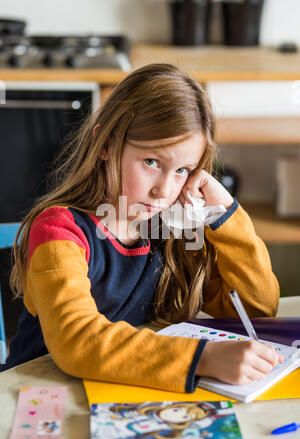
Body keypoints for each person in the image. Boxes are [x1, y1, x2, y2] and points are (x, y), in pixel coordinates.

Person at [1, 63, 283, 391]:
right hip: (40, 400)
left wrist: (226, 214)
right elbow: (77, 340)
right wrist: (202, 358)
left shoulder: (173, 234)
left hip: (124, 394)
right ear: (105, 144)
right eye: (152, 162)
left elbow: (256, 311)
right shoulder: (60, 232)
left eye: (182, 170)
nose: (164, 190)